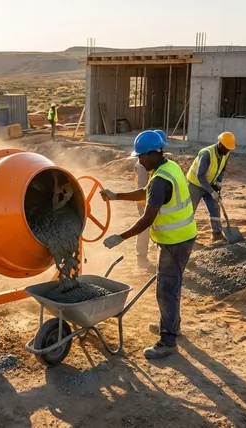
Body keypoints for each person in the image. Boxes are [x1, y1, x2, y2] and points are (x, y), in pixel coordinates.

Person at [100, 130, 197, 359]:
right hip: (183, 237)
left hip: (175, 242)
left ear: (155, 153)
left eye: (142, 156)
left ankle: (167, 341)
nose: (140, 161)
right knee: (171, 287)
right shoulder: (168, 167)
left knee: (165, 291)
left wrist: (120, 237)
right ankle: (172, 325)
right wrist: (117, 196)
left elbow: (147, 219)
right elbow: (147, 193)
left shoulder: (161, 180)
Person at [185, 131, 235, 242]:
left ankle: (216, 235)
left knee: (215, 209)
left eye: (229, 149)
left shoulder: (226, 153)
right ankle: (185, 237)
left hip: (210, 183)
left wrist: (218, 184)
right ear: (220, 144)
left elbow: (221, 170)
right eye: (226, 148)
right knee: (189, 210)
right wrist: (211, 192)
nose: (227, 151)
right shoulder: (207, 154)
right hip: (195, 184)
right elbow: (200, 176)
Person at [132, 129, 168, 269]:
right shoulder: (142, 164)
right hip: (144, 199)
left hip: (153, 197)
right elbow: (142, 187)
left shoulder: (155, 161)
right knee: (144, 227)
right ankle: (141, 258)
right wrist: (145, 205)